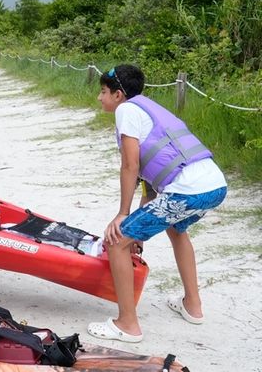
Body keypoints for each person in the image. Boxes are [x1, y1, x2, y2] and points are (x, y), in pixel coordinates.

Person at [87, 64, 227, 343]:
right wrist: (138, 230)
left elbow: (130, 164)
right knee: (175, 228)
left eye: (103, 91)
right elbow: (151, 189)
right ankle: (192, 306)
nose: (100, 98)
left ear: (118, 94)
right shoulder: (149, 108)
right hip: (214, 185)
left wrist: (123, 216)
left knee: (116, 241)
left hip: (187, 190)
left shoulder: (126, 110)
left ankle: (127, 324)